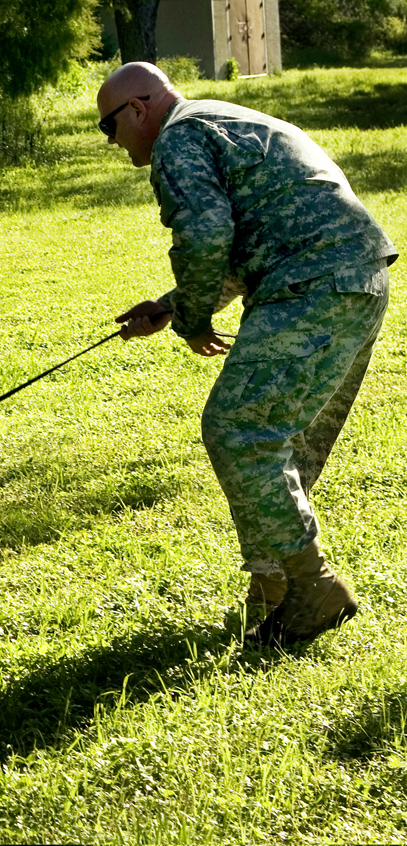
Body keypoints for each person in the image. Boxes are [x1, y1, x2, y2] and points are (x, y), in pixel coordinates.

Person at [101, 62, 396, 647]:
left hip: (312, 283)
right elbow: (254, 233)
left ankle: (315, 588)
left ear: (137, 108)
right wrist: (171, 304)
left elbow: (207, 235)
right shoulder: (221, 120)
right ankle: (275, 591)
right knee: (281, 443)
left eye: (109, 128)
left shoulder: (178, 137)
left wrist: (192, 319)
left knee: (239, 430)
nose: (113, 142)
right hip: (356, 280)